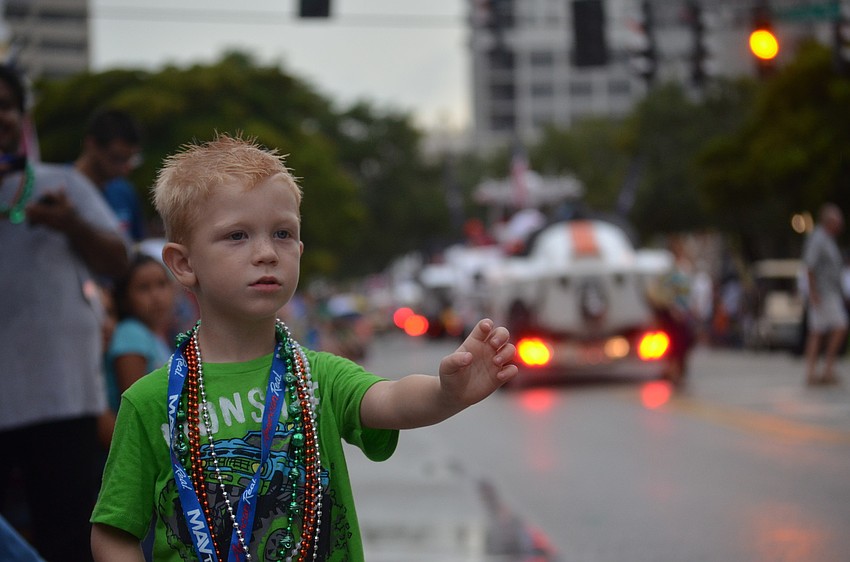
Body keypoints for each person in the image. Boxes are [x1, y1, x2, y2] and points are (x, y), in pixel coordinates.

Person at [90, 135, 518, 561]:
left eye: (282, 233)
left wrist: (447, 393)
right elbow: (113, 530)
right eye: (237, 236)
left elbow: (389, 400)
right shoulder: (149, 401)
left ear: (299, 247)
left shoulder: (319, 375)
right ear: (184, 264)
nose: (265, 253)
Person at [0, 64, 129, 561]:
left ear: (20, 115)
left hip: (63, 397)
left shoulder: (63, 185)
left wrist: (69, 224)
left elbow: (118, 260)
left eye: (5, 105)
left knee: (70, 538)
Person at [104, 253, 176, 415]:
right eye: (144, 288)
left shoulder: (154, 335)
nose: (156, 296)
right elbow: (138, 405)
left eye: (162, 284)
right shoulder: (130, 333)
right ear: (124, 298)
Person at [75, 108, 147, 241]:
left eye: (130, 159)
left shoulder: (124, 192)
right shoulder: (59, 187)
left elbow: (136, 246)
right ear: (91, 145)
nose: (125, 169)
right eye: (117, 158)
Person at [802, 203, 847, 385]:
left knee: (818, 331)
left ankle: (817, 372)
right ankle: (823, 369)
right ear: (829, 221)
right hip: (824, 293)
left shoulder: (828, 239)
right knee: (838, 327)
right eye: (838, 221)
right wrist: (813, 292)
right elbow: (810, 266)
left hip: (829, 292)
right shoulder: (819, 238)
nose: (841, 225)